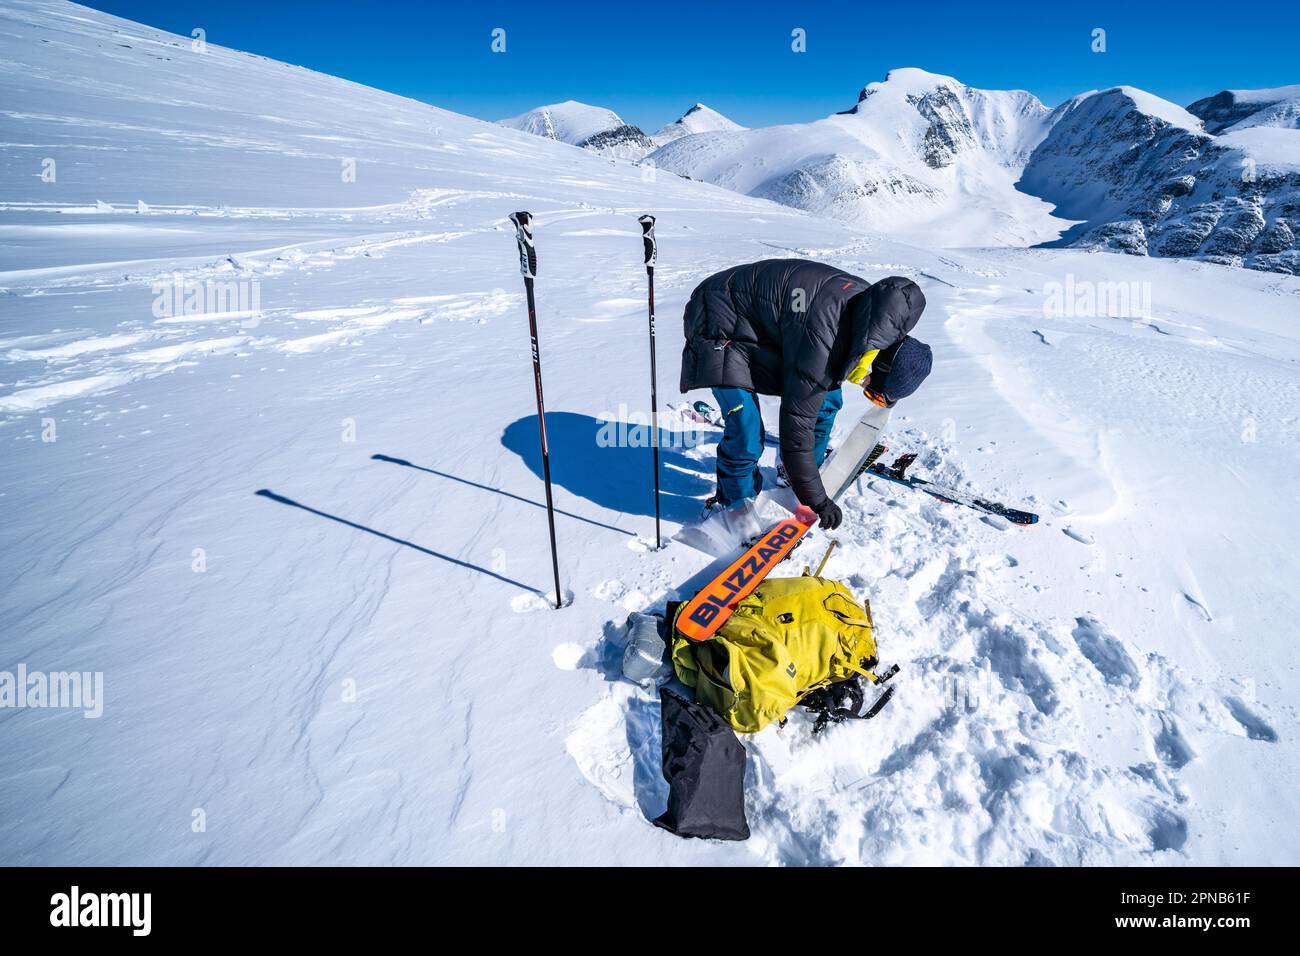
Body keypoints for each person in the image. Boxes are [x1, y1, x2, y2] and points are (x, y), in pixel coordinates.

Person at [680, 259, 931, 530]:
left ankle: (794, 475)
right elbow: (795, 436)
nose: (865, 390)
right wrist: (817, 500)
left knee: (828, 400)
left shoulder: (877, 319)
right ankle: (734, 510)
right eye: (873, 391)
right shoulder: (825, 343)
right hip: (716, 320)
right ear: (877, 363)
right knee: (746, 430)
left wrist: (805, 480)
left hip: (763, 321)